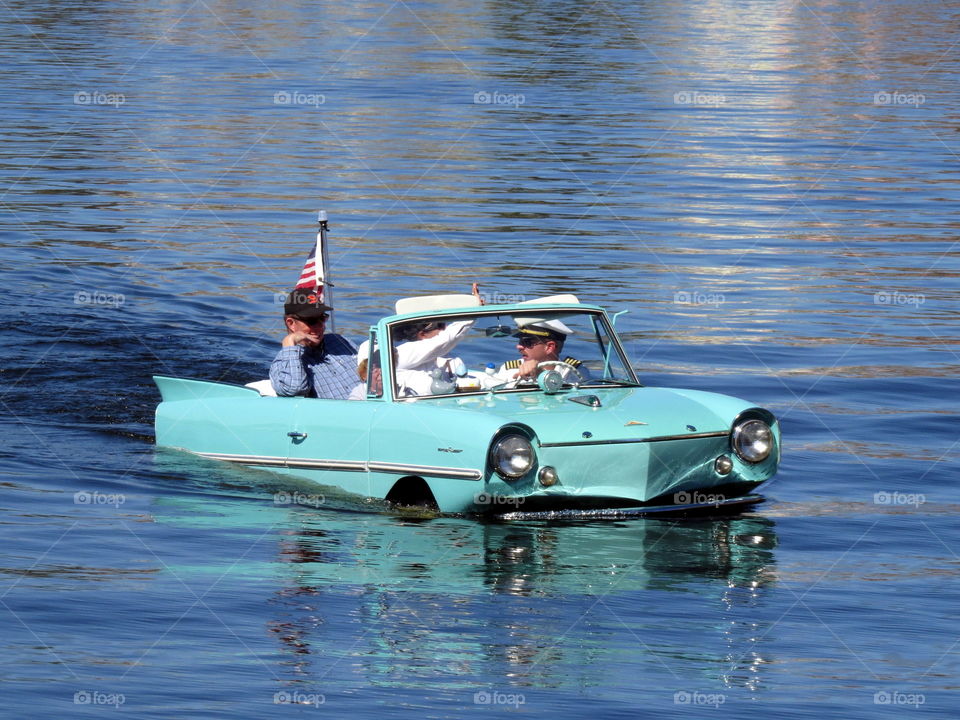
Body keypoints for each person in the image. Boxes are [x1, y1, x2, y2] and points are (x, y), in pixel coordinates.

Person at [269, 288, 358, 399]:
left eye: (322, 318)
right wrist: (289, 342)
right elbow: (295, 389)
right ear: (291, 323)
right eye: (312, 321)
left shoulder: (339, 341)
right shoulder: (281, 364)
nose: (321, 326)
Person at [495, 318, 586, 384]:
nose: (518, 346)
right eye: (520, 341)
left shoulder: (573, 370)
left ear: (549, 347)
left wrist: (540, 372)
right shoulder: (509, 370)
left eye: (527, 342)